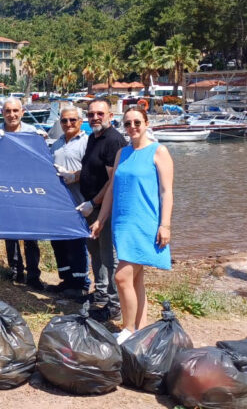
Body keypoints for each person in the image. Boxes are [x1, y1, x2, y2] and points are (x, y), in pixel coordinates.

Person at [90, 106, 173, 341]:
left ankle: (128, 329)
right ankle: (141, 329)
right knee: (136, 279)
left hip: (144, 223)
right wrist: (101, 220)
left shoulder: (159, 151)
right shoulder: (122, 153)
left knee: (121, 277)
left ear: (146, 123)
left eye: (137, 122)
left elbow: (167, 193)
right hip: (122, 223)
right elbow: (112, 191)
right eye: (127, 124)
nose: (132, 127)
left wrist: (165, 225)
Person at [75, 98, 127, 322]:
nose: (95, 117)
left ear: (110, 116)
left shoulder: (113, 140)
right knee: (95, 253)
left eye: (100, 114)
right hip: (89, 208)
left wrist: (94, 203)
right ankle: (102, 295)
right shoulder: (92, 138)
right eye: (91, 114)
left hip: (104, 208)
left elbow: (112, 180)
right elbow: (88, 169)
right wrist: (72, 176)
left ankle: (115, 306)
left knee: (108, 257)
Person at [0, 97, 49, 290]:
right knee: (10, 233)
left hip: (29, 190)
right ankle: (15, 270)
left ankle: (33, 274)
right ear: (3, 113)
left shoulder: (33, 133)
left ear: (22, 112)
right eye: (8, 111)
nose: (12, 115)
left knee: (30, 235)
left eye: (15, 111)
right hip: (5, 190)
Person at [48, 106, 92, 300]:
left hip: (78, 201)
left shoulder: (87, 143)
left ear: (80, 121)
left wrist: (74, 176)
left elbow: (94, 171)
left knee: (77, 243)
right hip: (58, 204)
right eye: (64, 121)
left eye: (72, 120)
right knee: (59, 243)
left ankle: (81, 284)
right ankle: (65, 280)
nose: (68, 124)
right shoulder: (56, 143)